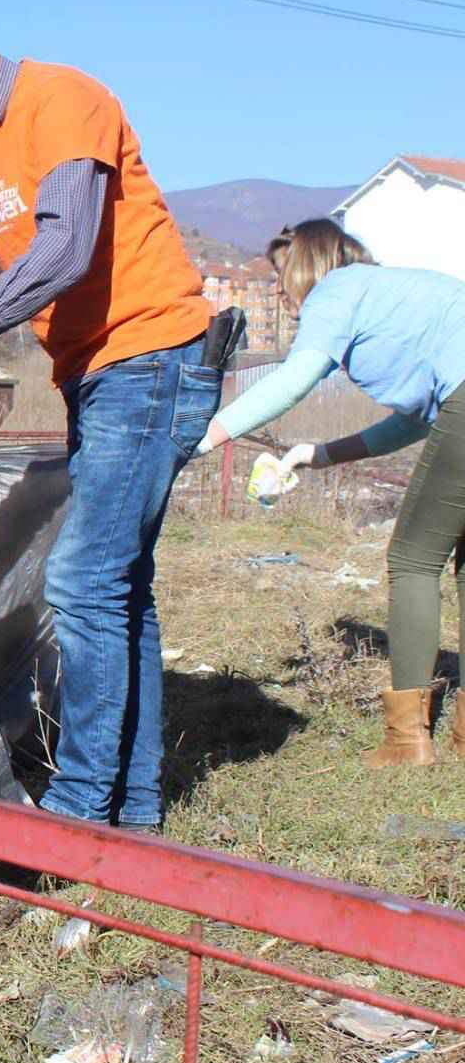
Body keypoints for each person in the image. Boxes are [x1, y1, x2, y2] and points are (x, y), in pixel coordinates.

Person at [0, 0, 223, 831]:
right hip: (94, 372)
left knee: (85, 581)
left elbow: (61, 251)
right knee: (119, 589)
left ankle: (77, 811)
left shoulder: (63, 99)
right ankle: (130, 810)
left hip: (152, 352)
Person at [199, 220, 465, 766]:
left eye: (280, 275)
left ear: (305, 264)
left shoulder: (336, 290)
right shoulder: (386, 294)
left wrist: (205, 435)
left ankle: (407, 741)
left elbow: (296, 377)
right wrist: (318, 454)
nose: (279, 290)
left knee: (413, 560)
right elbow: (422, 422)